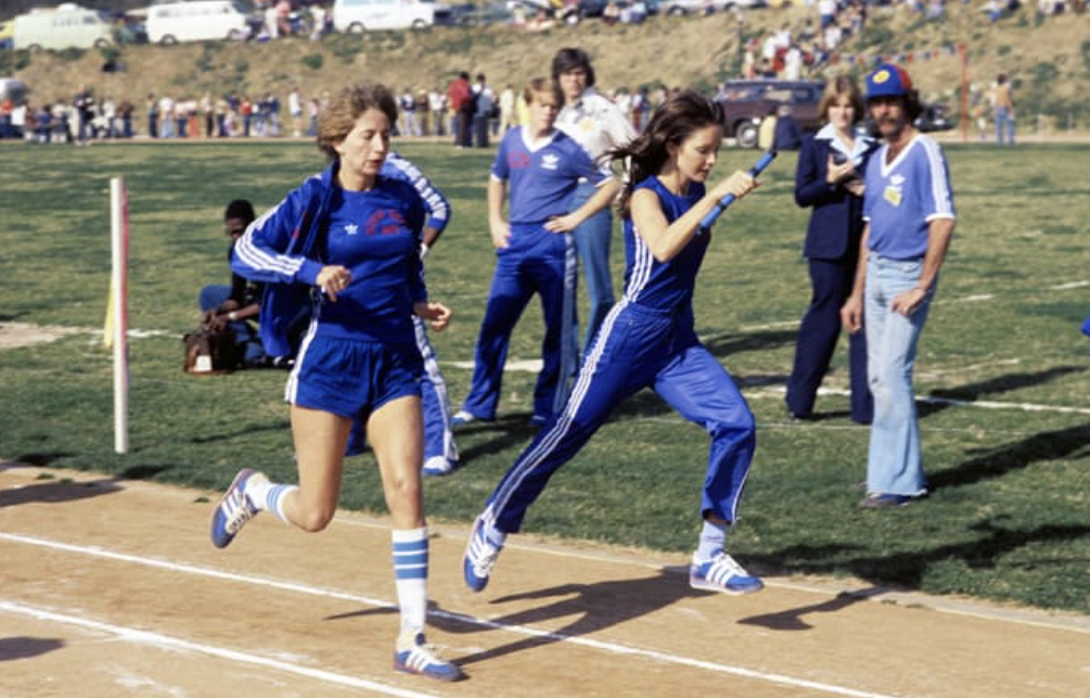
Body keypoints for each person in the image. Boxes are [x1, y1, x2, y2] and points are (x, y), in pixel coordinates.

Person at [461, 90, 764, 597]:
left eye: (716, 152)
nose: (712, 161)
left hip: (676, 340)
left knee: (737, 424)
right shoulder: (647, 194)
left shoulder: (693, 189)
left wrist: (712, 196)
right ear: (672, 146)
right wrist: (718, 197)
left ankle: (709, 555)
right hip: (629, 336)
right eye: (703, 151)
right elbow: (664, 248)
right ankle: (493, 522)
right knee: (564, 436)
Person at [209, 82, 464, 682]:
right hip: (331, 362)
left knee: (408, 490)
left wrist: (421, 303)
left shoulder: (403, 197)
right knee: (316, 512)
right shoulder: (313, 198)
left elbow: (405, 261)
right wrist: (310, 270)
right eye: (367, 136)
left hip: (396, 360)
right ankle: (253, 492)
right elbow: (246, 252)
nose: (379, 147)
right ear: (336, 141)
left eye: (385, 135)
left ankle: (412, 637)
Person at [451, 78, 619, 428]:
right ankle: (479, 404)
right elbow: (498, 178)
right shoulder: (511, 140)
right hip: (515, 245)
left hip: (553, 245)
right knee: (494, 323)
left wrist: (577, 216)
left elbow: (610, 183)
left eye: (554, 106)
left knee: (557, 329)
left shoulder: (569, 147)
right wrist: (495, 221)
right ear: (528, 105)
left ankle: (548, 406)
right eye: (542, 104)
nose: (548, 111)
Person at [840, 64, 956, 508]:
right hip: (877, 275)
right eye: (877, 103)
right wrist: (855, 292)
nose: (884, 110)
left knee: (892, 375)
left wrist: (923, 285)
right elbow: (870, 229)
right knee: (876, 378)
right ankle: (883, 474)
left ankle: (902, 482)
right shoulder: (876, 158)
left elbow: (943, 219)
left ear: (909, 103)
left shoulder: (925, 151)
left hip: (908, 275)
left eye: (892, 101)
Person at [345, 150, 461, 477]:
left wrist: (416, 250)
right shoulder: (342, 169)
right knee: (353, 355)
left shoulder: (401, 170)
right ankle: (349, 436)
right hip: (356, 282)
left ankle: (439, 447)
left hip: (398, 283)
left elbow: (439, 208)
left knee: (418, 361)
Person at [786, 76, 878, 424]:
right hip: (827, 247)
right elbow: (801, 195)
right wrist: (830, 182)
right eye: (837, 106)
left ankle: (864, 408)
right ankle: (800, 401)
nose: (843, 112)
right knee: (823, 320)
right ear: (827, 108)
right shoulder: (815, 145)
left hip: (866, 245)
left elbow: (880, 193)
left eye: (849, 106)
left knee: (864, 322)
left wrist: (864, 190)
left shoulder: (871, 146)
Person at [553, 47, 637, 360]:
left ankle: (595, 355)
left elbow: (632, 148)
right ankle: (567, 358)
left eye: (578, 73)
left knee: (598, 285)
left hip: (593, 194)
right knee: (562, 285)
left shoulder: (601, 107)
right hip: (555, 199)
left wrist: (628, 191)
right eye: (567, 74)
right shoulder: (556, 110)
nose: (573, 80)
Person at [199, 199, 273, 369]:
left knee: (251, 357)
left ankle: (267, 348)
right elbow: (236, 296)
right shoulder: (236, 251)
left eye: (239, 232)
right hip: (257, 301)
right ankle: (242, 340)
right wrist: (218, 311)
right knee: (209, 294)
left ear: (252, 225)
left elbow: (268, 304)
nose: (235, 237)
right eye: (231, 233)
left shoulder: (267, 250)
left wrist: (230, 317)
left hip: (284, 311)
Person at [993, 72, 1015, 146]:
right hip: (1005, 108)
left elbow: (996, 100)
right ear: (1004, 80)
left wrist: (995, 110)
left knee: (998, 127)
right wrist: (1011, 109)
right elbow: (1007, 99)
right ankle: (1011, 142)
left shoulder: (997, 89)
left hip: (998, 108)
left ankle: (999, 142)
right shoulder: (1006, 89)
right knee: (1010, 125)